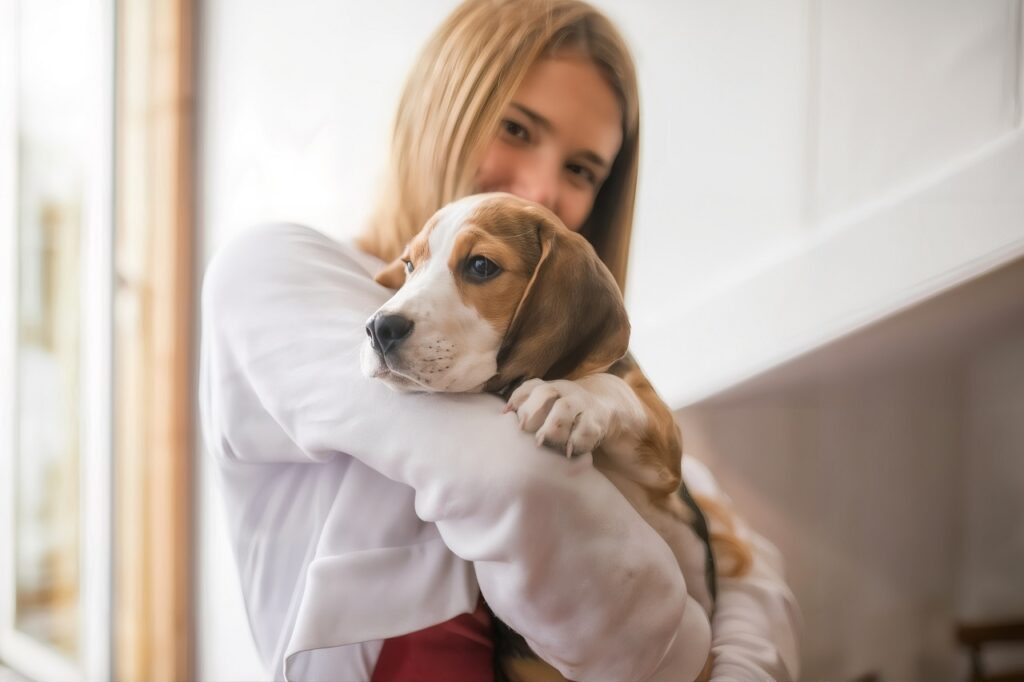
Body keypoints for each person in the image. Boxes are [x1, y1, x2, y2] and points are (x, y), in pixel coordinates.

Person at [199, 0, 801, 680]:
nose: (544, 190)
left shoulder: (560, 381)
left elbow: (745, 561)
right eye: (516, 127)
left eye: (581, 171)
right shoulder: (279, 273)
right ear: (441, 105)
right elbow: (521, 484)